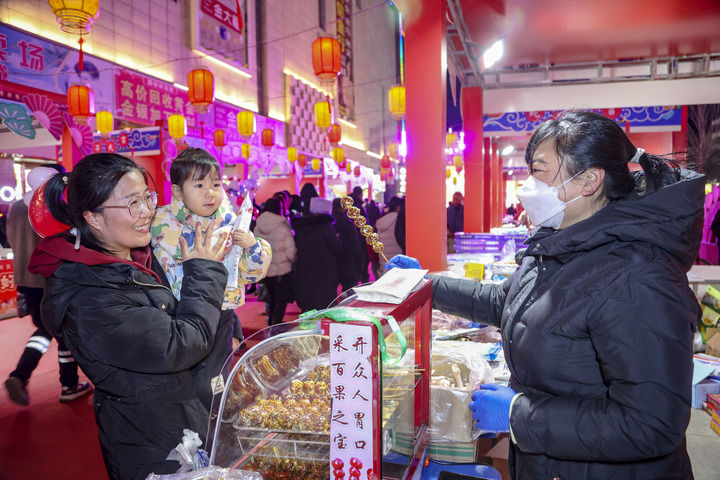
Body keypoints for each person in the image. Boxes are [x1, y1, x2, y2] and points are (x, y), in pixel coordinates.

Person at [387, 111, 703, 479]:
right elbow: (506, 303)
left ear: (588, 181)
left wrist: (520, 415)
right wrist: (426, 284)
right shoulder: (559, 244)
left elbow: (651, 424)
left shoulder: (637, 276)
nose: (528, 186)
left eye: (538, 171)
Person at [28, 153, 230, 480]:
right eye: (132, 203)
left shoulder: (134, 260)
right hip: (153, 442)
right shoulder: (90, 296)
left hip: (179, 418)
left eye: (147, 198)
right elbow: (181, 344)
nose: (148, 211)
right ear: (93, 217)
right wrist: (204, 272)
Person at [150, 148, 270, 409]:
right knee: (184, 384)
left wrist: (253, 247)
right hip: (176, 317)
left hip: (220, 316)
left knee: (215, 383)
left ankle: (213, 422)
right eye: (199, 185)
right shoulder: (158, 223)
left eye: (215, 184)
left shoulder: (231, 225)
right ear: (178, 192)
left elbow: (250, 274)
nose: (210, 193)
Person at [4, 186, 92, 406]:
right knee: (62, 329)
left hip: (24, 277)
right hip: (50, 276)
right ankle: (68, 385)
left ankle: (22, 375)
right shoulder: (52, 203)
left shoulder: (16, 207)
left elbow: (9, 239)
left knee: (45, 329)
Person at [291, 183, 341, 312]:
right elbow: (336, 246)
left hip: (305, 265)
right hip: (324, 268)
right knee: (324, 303)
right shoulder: (325, 225)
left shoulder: (300, 225)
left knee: (308, 300)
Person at [253, 197, 296, 326]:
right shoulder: (282, 226)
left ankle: (271, 323)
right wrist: (291, 261)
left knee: (271, 297)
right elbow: (290, 250)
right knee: (281, 300)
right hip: (281, 270)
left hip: (266, 268)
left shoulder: (258, 227)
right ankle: (276, 324)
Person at [331, 197, 365, 291]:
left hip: (333, 261)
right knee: (350, 289)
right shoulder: (347, 223)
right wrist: (360, 258)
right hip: (348, 260)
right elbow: (355, 243)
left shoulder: (329, 223)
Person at [376, 196, 405, 263]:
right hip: (398, 257)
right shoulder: (399, 219)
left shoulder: (381, 220)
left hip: (384, 258)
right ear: (398, 207)